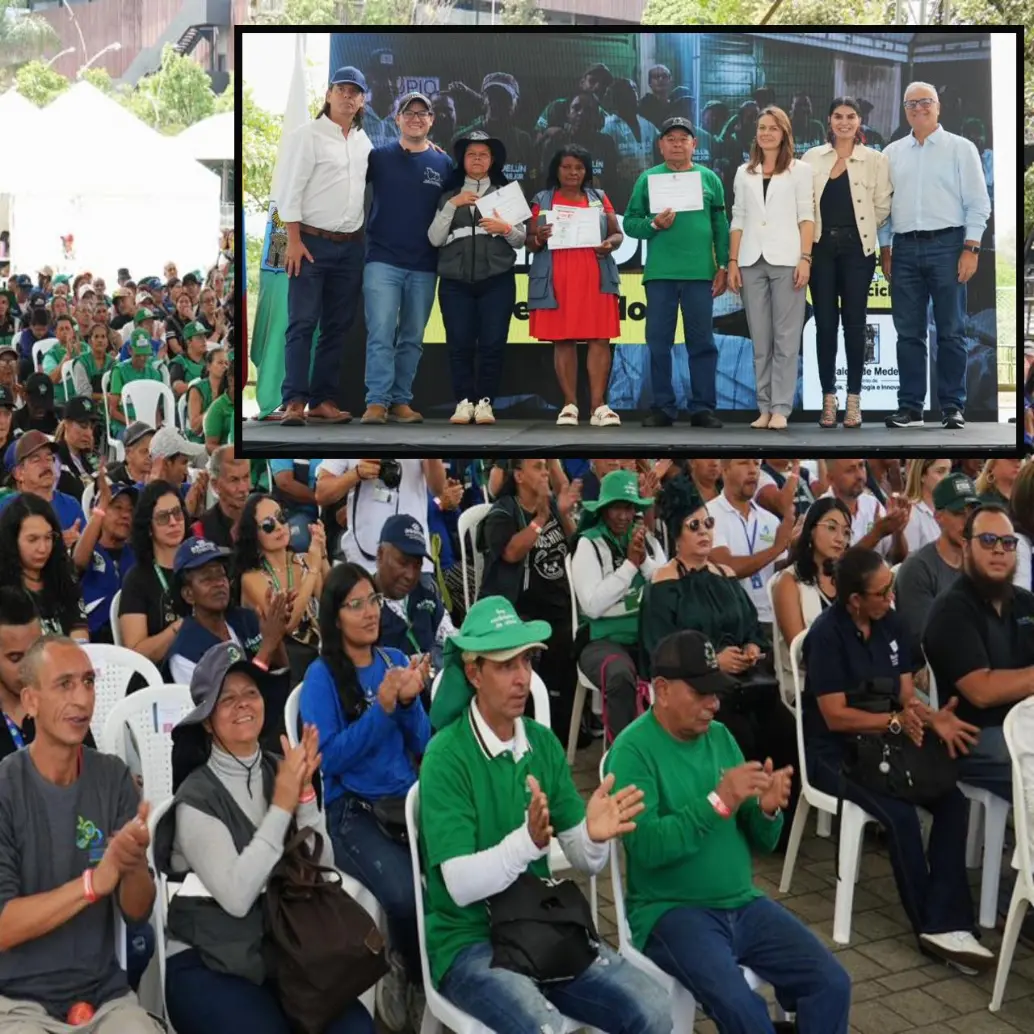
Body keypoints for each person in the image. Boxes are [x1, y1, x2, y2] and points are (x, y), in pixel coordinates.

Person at [418, 596, 669, 1034]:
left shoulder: (542, 743)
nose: (522, 678)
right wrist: (527, 844)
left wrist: (595, 836)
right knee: (542, 1028)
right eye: (505, 665)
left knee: (654, 1009)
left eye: (526, 662)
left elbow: (586, 861)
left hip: (539, 924)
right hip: (470, 941)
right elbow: (459, 887)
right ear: (474, 673)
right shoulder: (445, 755)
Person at [606, 629, 851, 1033]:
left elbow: (761, 840)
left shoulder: (720, 738)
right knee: (744, 1011)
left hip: (743, 903)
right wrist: (718, 802)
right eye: (701, 693)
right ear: (662, 690)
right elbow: (647, 847)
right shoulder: (632, 752)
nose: (713, 704)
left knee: (831, 983)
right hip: (672, 911)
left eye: (716, 692)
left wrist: (768, 810)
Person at [155, 642, 374, 1034]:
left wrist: (305, 797)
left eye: (251, 693)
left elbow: (321, 873)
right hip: (208, 960)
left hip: (281, 947)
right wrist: (282, 806)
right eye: (227, 698)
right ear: (207, 721)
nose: (242, 704)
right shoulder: (196, 797)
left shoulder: (282, 769)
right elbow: (238, 897)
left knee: (355, 1028)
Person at [803, 547, 992, 972]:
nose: (891, 596)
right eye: (882, 591)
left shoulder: (891, 624)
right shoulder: (826, 635)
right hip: (835, 752)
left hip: (887, 745)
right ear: (854, 600)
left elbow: (906, 697)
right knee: (901, 816)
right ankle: (933, 927)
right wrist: (894, 722)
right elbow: (834, 716)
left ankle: (946, 921)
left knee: (952, 800)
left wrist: (933, 718)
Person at [0, 636, 162, 1033]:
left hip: (104, 998)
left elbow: (138, 911)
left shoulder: (113, 777)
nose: (82, 698)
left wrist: (133, 862)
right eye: (65, 684)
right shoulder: (5, 785)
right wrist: (93, 884)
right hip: (16, 1002)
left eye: (88, 683)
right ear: (31, 700)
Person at [301, 563, 432, 1033]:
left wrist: (411, 701)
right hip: (351, 811)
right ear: (335, 617)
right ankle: (412, 980)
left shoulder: (394, 659)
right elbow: (329, 759)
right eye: (355, 604)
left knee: (451, 879)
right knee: (403, 896)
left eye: (373, 600)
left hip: (406, 802)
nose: (369, 612)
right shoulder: (321, 677)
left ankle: (432, 982)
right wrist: (383, 708)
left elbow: (423, 744)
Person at [642, 474, 798, 818]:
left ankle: (773, 816)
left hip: (746, 682)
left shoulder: (724, 574)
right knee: (734, 732)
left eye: (708, 524)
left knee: (784, 730)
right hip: (699, 687)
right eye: (693, 525)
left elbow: (751, 628)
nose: (703, 532)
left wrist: (753, 648)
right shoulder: (664, 585)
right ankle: (737, 815)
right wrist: (714, 662)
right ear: (677, 535)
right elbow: (661, 651)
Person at [879, 82, 992, 430]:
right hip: (904, 248)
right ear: (904, 110)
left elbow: (978, 203)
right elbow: (882, 207)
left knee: (951, 332)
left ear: (938, 107)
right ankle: (910, 407)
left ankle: (952, 406)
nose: (919, 108)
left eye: (925, 102)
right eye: (911, 103)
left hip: (949, 246)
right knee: (909, 333)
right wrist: (886, 248)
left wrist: (971, 248)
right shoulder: (892, 153)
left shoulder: (961, 148)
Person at [274, 66, 372, 427]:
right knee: (302, 323)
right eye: (342, 90)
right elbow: (290, 191)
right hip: (310, 242)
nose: (348, 97)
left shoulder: (364, 142)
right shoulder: (308, 135)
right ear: (329, 95)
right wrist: (294, 241)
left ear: (362, 101)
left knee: (337, 326)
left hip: (350, 247)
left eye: (355, 92)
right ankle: (294, 400)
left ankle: (322, 400)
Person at [624, 116, 729, 429]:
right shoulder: (648, 179)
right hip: (660, 274)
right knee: (658, 342)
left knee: (702, 342)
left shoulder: (709, 178)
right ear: (660, 145)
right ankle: (662, 407)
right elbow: (630, 223)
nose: (677, 144)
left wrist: (723, 264)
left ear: (694, 144)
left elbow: (720, 226)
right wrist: (654, 224)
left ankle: (703, 408)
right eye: (670, 138)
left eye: (684, 138)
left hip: (700, 274)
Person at [923, 505, 1031, 804]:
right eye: (987, 540)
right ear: (967, 546)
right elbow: (981, 690)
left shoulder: (1024, 603)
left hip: (1024, 727)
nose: (999, 550)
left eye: (1007, 543)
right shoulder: (952, 609)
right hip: (976, 738)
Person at [361, 92, 454, 427]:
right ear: (396, 118)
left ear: (432, 120)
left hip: (425, 264)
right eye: (408, 112)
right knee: (381, 333)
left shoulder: (444, 163)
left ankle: (401, 401)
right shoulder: (378, 157)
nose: (416, 117)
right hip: (382, 259)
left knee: (413, 337)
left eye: (423, 112)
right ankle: (376, 402)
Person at [802, 97, 893, 429]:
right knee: (825, 324)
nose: (844, 122)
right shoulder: (812, 158)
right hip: (821, 247)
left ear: (859, 122)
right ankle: (829, 399)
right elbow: (803, 205)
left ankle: (854, 401)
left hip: (859, 249)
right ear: (829, 121)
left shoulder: (876, 160)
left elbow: (882, 206)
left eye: (850, 117)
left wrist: (864, 229)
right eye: (838, 116)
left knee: (856, 325)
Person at [477, 460, 582, 743]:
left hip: (559, 606)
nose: (546, 472)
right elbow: (511, 553)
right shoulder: (502, 512)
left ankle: (559, 737)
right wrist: (539, 521)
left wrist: (562, 514)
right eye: (538, 467)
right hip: (520, 611)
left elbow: (574, 543)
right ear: (520, 476)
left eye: (547, 467)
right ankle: (530, 734)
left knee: (572, 655)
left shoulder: (551, 507)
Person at [428, 132, 525, 427]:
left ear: (492, 160)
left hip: (497, 278)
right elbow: (434, 239)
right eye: (472, 154)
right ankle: (464, 402)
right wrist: (452, 204)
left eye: (484, 154)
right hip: (455, 282)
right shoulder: (448, 194)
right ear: (463, 160)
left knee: (493, 344)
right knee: (459, 344)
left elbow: (521, 240)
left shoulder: (505, 193)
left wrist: (505, 227)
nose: (478, 159)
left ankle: (485, 403)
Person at [727, 106, 815, 430]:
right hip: (750, 261)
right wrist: (733, 261)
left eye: (773, 128)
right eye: (762, 127)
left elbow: (807, 217)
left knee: (786, 339)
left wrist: (805, 258)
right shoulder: (743, 172)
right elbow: (737, 219)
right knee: (760, 340)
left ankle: (781, 407)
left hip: (788, 261)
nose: (766, 133)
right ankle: (763, 407)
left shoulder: (800, 170)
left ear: (784, 133)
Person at [527, 145, 623, 428]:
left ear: (587, 172)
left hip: (595, 274)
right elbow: (530, 241)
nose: (573, 172)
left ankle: (598, 406)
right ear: (557, 170)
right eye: (567, 167)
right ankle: (569, 405)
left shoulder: (598, 198)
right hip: (558, 277)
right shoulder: (543, 199)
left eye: (579, 168)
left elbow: (617, 233)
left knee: (599, 338)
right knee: (563, 339)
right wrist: (540, 238)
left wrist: (610, 244)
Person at [570, 470, 663, 741]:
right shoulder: (588, 544)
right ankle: (621, 762)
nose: (624, 516)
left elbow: (665, 582)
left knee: (681, 660)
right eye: (617, 508)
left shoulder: (644, 539)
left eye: (629, 508)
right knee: (620, 675)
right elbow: (592, 605)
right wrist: (629, 567)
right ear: (604, 509)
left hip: (644, 635)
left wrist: (643, 560)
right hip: (601, 641)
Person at [166, 536, 291, 707]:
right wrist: (267, 645)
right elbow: (229, 708)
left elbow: (282, 673)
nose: (219, 583)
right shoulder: (185, 654)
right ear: (188, 594)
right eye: (207, 579)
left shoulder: (246, 618)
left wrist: (276, 631)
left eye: (221, 574)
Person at [237, 494, 329, 685]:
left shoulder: (305, 559)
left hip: (319, 656)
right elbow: (287, 626)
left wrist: (323, 555)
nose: (279, 527)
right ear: (254, 534)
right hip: (282, 668)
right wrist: (313, 570)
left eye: (281, 518)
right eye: (268, 525)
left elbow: (332, 605)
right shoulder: (252, 578)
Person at [894, 471, 979, 671]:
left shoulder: (981, 563)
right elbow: (925, 641)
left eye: (972, 512)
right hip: (934, 673)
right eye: (959, 513)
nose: (967, 522)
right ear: (938, 517)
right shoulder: (917, 568)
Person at [771, 497, 851, 703]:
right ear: (811, 530)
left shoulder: (850, 579)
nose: (840, 538)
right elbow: (801, 652)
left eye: (846, 532)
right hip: (809, 685)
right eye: (832, 528)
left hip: (853, 678)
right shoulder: (788, 582)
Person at [706, 459, 795, 631]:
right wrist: (777, 548)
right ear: (725, 470)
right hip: (733, 624)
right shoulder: (709, 514)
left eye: (756, 464)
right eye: (744, 463)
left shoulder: (770, 519)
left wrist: (797, 547)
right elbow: (727, 568)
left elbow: (781, 573)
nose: (753, 470)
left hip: (774, 621)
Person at [315, 459, 445, 574]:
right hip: (362, 563)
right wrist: (356, 474)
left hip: (412, 563)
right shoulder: (351, 433)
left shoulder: (419, 434)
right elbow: (322, 493)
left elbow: (438, 489)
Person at [373, 514, 456, 675]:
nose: (410, 575)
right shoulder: (363, 604)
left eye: (417, 565)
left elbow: (451, 643)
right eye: (402, 563)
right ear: (380, 554)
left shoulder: (426, 596)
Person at [0, 493, 88, 641]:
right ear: (13, 541)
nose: (43, 548)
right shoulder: (4, 589)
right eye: (32, 539)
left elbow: (78, 629)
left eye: (48, 538)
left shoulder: (63, 573)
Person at [118, 481, 186, 666]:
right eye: (163, 517)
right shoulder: (137, 579)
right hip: (161, 680)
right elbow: (135, 653)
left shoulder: (199, 565)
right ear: (149, 528)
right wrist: (180, 628)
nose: (173, 522)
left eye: (177, 513)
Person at [71, 476, 137, 645]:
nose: (125, 515)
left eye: (130, 510)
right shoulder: (87, 550)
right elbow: (77, 563)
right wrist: (100, 510)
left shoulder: (138, 556)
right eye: (117, 507)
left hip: (132, 641)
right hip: (94, 643)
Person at [450, 73, 535, 189]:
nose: (496, 104)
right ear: (483, 100)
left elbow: (531, 182)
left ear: (516, 103)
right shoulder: (463, 138)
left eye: (504, 98)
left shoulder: (523, 141)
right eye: (492, 97)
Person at [2, 430, 86, 540]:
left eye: (49, 458)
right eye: (36, 460)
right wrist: (58, 545)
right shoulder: (7, 508)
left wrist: (78, 544)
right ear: (19, 473)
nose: (46, 465)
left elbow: (90, 552)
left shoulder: (71, 505)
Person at [823, 458, 909, 563]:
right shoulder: (821, 512)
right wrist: (877, 533)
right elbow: (837, 565)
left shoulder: (872, 503)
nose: (860, 475)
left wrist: (898, 533)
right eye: (850, 470)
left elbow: (897, 559)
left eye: (861, 466)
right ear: (831, 478)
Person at [604, 78, 661, 189]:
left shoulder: (647, 125)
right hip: (622, 190)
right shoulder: (608, 127)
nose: (633, 95)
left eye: (634, 90)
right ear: (616, 99)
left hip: (648, 188)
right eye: (626, 92)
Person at [107, 330, 165, 438]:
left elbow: (155, 407)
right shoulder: (119, 371)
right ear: (129, 350)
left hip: (147, 424)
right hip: (124, 425)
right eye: (138, 355)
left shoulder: (154, 373)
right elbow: (113, 411)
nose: (142, 358)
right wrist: (132, 423)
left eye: (145, 354)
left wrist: (157, 426)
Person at [190, 447, 250, 548]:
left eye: (246, 477)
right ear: (215, 485)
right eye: (234, 480)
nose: (243, 488)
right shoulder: (201, 531)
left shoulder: (263, 518)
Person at [902, 458, 954, 553]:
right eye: (940, 471)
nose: (948, 478)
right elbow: (907, 561)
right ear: (922, 475)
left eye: (949, 471)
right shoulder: (912, 513)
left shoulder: (950, 509)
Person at [72, 323, 117, 405]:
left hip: (110, 404)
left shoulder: (113, 362)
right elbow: (83, 393)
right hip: (86, 405)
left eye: (103, 337)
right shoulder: (81, 362)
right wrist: (103, 397)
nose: (100, 340)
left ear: (107, 341)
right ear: (89, 341)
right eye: (96, 337)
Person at [107, 422, 153, 487]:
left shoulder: (159, 478)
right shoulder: (112, 482)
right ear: (128, 453)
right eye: (144, 451)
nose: (150, 456)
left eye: (152, 451)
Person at [638, 65, 672, 130]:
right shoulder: (643, 106)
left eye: (664, 76)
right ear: (649, 82)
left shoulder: (675, 106)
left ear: (670, 81)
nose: (660, 79)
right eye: (656, 76)